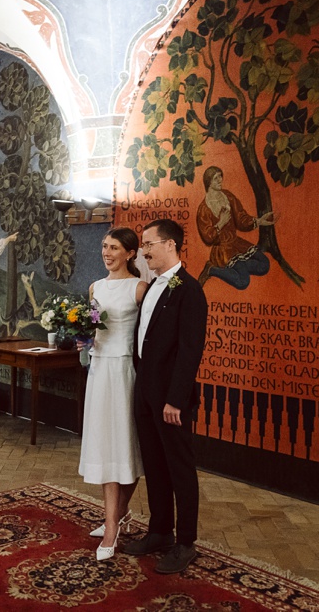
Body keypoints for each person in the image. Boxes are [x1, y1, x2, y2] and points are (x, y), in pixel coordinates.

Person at [120, 218, 207, 574]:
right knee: (154, 465)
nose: (143, 250)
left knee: (179, 469)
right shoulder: (152, 285)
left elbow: (190, 351)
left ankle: (185, 542)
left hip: (171, 400)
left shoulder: (190, 290)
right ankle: (159, 531)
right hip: (145, 393)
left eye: (149, 243)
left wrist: (175, 399)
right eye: (142, 245)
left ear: (170, 245)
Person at [78, 227, 148, 560]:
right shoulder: (95, 287)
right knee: (106, 442)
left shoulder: (140, 289)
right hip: (99, 370)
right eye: (104, 246)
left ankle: (113, 524)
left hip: (124, 372)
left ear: (131, 253)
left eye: (114, 248)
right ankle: (113, 520)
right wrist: (83, 340)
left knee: (126, 443)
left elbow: (150, 335)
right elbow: (93, 326)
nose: (107, 253)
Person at [195, 166, 273, 289]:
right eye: (216, 178)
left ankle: (240, 267)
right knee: (243, 282)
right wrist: (221, 223)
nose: (220, 180)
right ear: (208, 182)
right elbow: (207, 238)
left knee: (265, 264)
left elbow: (241, 219)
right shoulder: (203, 209)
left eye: (221, 176)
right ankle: (211, 269)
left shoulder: (227, 196)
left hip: (237, 243)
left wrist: (259, 221)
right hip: (223, 250)